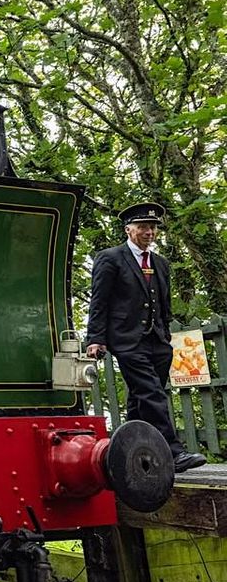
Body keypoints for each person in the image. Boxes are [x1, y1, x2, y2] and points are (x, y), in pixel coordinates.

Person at [86, 202, 206, 473]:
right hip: (126, 339)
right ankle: (173, 452)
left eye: (152, 227)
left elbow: (163, 304)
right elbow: (99, 301)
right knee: (151, 392)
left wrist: (165, 336)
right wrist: (95, 338)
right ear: (129, 229)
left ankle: (135, 455)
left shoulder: (161, 264)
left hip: (158, 341)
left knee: (141, 400)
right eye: (143, 227)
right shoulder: (111, 258)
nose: (149, 232)